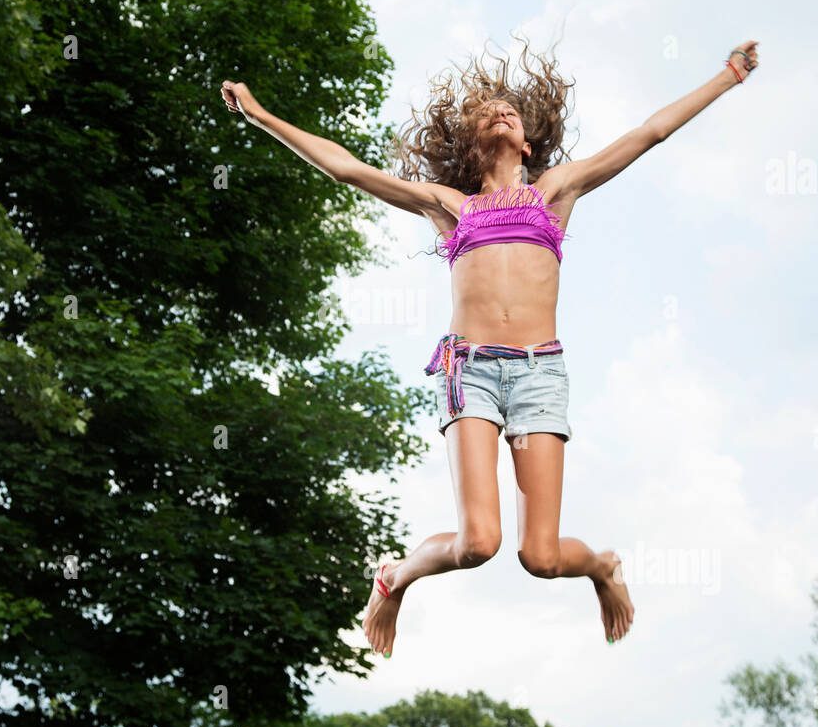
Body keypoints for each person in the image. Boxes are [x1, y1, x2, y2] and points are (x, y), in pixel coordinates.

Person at [220, 36, 760, 658]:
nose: (500, 112)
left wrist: (727, 77)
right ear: (474, 142)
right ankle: (393, 577)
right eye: (487, 112)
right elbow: (346, 168)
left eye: (511, 110)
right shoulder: (452, 206)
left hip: (539, 374)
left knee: (542, 556)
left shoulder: (555, 191)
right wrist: (261, 116)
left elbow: (649, 133)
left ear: (528, 142)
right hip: (469, 372)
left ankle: (602, 568)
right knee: (479, 544)